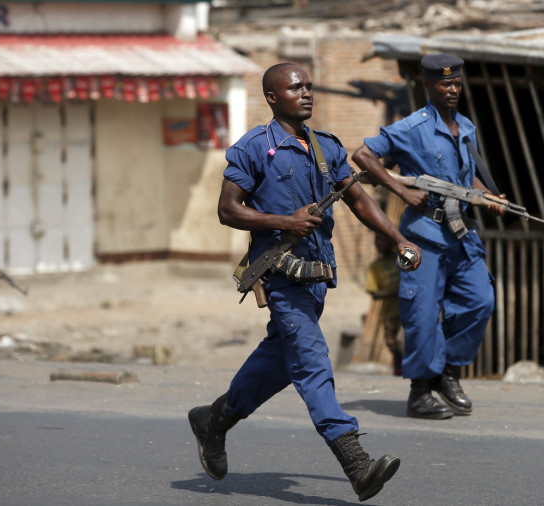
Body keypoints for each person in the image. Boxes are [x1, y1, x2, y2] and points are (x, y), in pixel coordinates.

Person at [187, 63, 421, 503]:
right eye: (296, 88)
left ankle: (214, 419)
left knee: (278, 363)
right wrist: (282, 221)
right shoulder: (255, 148)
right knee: (312, 363)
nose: (306, 93)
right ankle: (356, 462)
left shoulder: (324, 147)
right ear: (273, 98)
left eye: (309, 86)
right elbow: (228, 209)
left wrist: (398, 237)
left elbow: (357, 198)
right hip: (280, 277)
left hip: (315, 277)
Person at [352, 54, 501, 419]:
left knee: (480, 301)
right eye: (444, 84)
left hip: (461, 235)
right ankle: (420, 390)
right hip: (419, 237)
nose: (452, 90)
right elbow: (363, 155)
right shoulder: (411, 127)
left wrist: (488, 196)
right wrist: (399, 191)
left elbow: (465, 179)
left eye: (457, 84)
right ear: (428, 85)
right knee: (420, 312)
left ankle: (447, 373)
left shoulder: (465, 127)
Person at [365, 232, 403, 376]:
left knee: (405, 341)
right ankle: (398, 369)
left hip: (407, 309)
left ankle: (408, 369)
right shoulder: (375, 266)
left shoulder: (401, 259)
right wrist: (395, 292)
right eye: (377, 241)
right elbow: (374, 293)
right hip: (390, 312)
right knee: (392, 343)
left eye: (382, 240)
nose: (379, 244)